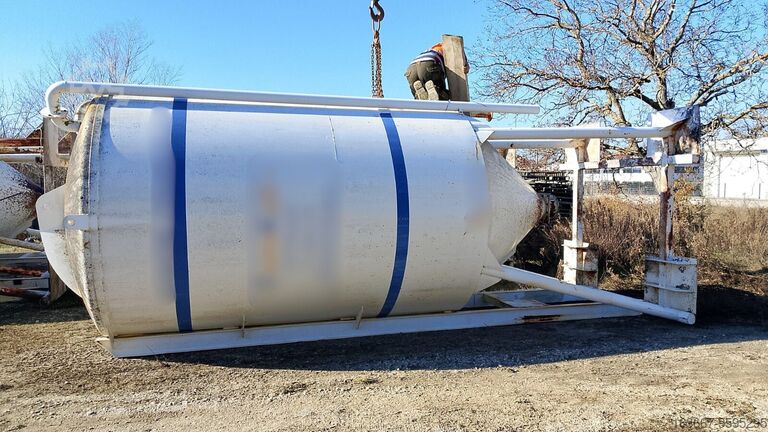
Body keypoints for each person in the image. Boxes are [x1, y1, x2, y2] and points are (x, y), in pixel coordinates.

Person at [404, 42, 469, 101]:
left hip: (411, 68)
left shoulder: (431, 50)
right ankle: (436, 90)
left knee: (420, 97)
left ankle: (420, 95)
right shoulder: (450, 46)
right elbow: (462, 62)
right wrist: (466, 65)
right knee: (441, 95)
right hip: (429, 63)